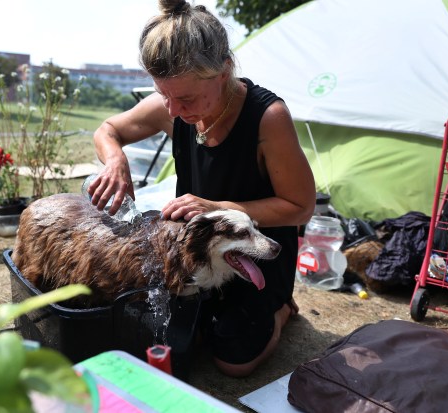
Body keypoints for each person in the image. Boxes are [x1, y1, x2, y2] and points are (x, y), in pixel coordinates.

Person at [87, 0, 315, 377]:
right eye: (164, 95)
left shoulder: (267, 118)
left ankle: (282, 309)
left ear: (224, 71)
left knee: (234, 362)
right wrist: (115, 160)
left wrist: (218, 206)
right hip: (196, 248)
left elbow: (300, 206)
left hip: (253, 251)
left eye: (187, 99)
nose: (173, 110)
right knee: (160, 332)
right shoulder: (172, 106)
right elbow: (107, 130)